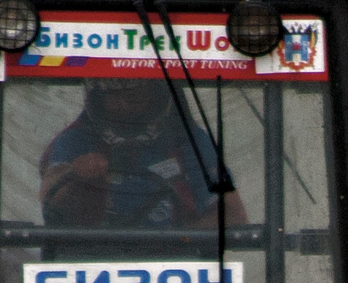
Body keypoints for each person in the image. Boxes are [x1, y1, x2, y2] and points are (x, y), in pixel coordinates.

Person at [39, 79, 238, 229]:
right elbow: (48, 193)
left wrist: (179, 240)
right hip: (88, 260)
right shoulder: (77, 139)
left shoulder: (188, 141)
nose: (124, 105)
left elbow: (233, 215)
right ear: (98, 97)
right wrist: (75, 174)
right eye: (114, 94)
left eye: (134, 95)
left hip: (175, 262)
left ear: (156, 94)